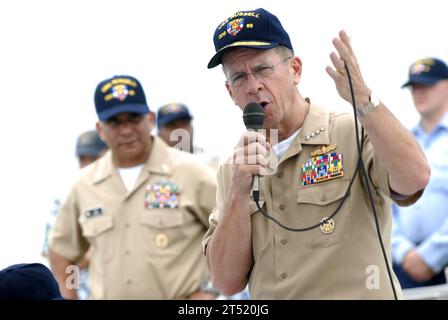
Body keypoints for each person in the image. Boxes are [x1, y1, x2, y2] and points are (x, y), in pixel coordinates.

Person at [202, 8, 430, 299]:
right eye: (238, 78)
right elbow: (225, 282)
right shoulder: (233, 170)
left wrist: (364, 100)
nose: (252, 85)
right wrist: (238, 193)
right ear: (229, 92)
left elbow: (415, 178)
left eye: (262, 69)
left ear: (295, 70)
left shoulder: (352, 131)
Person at [48, 75, 217, 300]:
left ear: (150, 119)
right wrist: (69, 296)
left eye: (134, 118)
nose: (126, 130)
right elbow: (60, 251)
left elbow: (235, 231)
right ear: (100, 129)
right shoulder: (83, 186)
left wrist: (212, 290)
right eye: (115, 122)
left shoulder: (194, 173)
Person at [392, 58, 448, 289]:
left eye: (427, 85)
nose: (419, 93)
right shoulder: (402, 141)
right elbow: (386, 201)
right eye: (415, 87)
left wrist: (431, 256)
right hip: (403, 265)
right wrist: (402, 251)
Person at [42, 130, 107, 299]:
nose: (87, 164)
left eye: (93, 158)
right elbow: (51, 252)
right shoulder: (64, 199)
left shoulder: (121, 195)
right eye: (82, 158)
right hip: (80, 291)